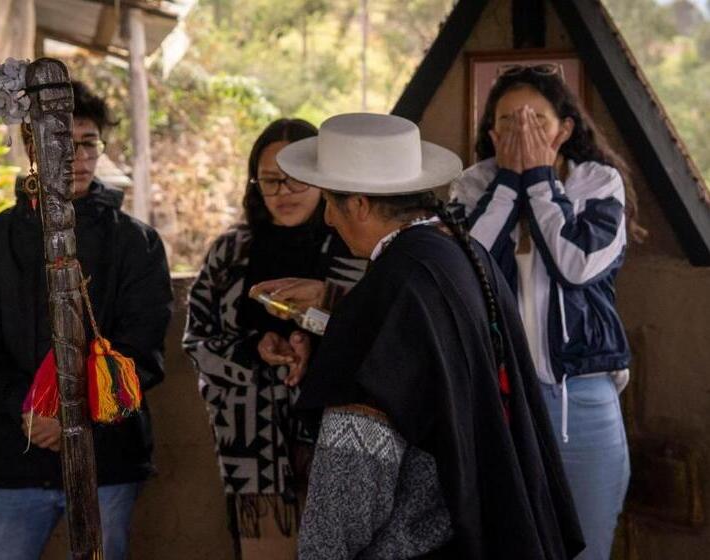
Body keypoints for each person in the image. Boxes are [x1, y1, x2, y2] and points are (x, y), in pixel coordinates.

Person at [272, 112, 584, 559]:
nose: (327, 219)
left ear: (358, 204)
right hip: (479, 530)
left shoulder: (394, 285)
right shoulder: (460, 252)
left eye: (331, 203)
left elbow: (351, 481)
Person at [0, 81, 173, 560]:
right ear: (31, 146)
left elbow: (142, 348)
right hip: (16, 454)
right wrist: (31, 412)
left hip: (108, 458)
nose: (78, 156)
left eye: (89, 142)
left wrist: (75, 413)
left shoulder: (136, 243)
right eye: (61, 141)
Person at [451, 65, 640, 560]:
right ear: (492, 134)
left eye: (536, 120)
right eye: (509, 122)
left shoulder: (598, 183)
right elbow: (467, 269)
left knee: (587, 548)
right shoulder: (472, 187)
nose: (522, 131)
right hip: (500, 396)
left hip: (583, 397)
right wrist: (509, 188)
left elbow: (577, 266)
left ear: (565, 129)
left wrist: (538, 183)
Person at [182, 118, 366, 559]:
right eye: (270, 181)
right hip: (252, 446)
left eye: (296, 180)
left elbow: (380, 330)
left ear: (324, 179)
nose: (283, 193)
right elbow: (198, 341)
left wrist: (314, 343)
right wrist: (254, 350)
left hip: (341, 440)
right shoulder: (231, 251)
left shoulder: (357, 248)